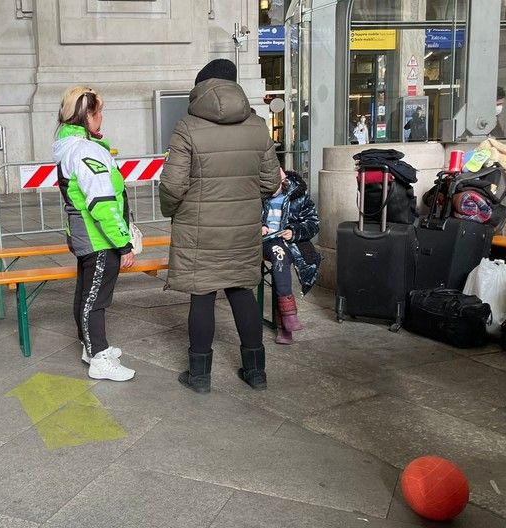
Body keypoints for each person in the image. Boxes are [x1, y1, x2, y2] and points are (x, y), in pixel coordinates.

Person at [159, 58, 282, 394]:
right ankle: (256, 372)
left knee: (202, 296)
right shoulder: (257, 125)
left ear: (201, 88)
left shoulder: (187, 126)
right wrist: (244, 200)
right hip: (242, 229)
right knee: (243, 293)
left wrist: (174, 211)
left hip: (200, 231)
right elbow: (272, 182)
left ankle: (199, 377)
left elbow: (172, 185)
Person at [53, 86, 136, 382]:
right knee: (96, 299)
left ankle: (92, 347)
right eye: (99, 112)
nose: (101, 117)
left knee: (86, 294)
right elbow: (102, 203)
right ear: (88, 115)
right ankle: (98, 356)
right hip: (99, 238)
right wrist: (123, 243)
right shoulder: (87, 150)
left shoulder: (71, 147)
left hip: (86, 236)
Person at [261, 169, 321, 345]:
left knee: (281, 263)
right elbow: (244, 216)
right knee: (280, 259)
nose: (270, 191)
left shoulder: (299, 196)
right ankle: (288, 319)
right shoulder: (258, 195)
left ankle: (287, 323)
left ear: (284, 181)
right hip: (264, 241)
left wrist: (294, 232)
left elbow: (313, 224)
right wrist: (259, 225)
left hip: (287, 241)